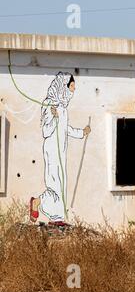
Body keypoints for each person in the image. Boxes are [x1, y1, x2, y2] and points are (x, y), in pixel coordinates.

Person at [29, 72, 91, 226]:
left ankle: (57, 218)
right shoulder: (49, 104)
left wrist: (81, 133)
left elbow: (65, 129)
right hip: (51, 149)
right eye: (71, 87)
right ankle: (37, 202)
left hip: (61, 150)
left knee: (61, 184)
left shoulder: (63, 107)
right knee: (54, 183)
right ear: (63, 86)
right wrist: (54, 117)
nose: (72, 91)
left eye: (73, 89)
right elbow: (46, 131)